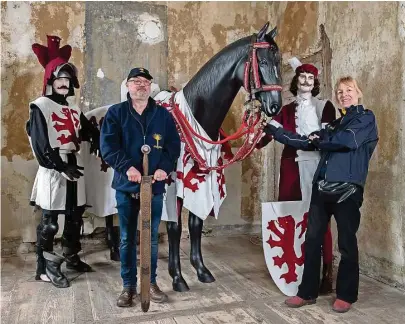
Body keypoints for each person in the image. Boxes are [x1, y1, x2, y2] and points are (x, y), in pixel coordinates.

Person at [265, 76, 378, 313]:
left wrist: (320, 138)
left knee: (346, 243)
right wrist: (275, 130)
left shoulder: (366, 118)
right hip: (322, 188)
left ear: (358, 93)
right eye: (339, 91)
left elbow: (347, 141)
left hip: (347, 190)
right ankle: (307, 293)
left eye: (349, 90)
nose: (344, 94)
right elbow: (306, 142)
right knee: (312, 240)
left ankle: (346, 294)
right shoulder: (334, 125)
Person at [100, 67, 181, 307]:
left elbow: (173, 147)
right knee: (126, 238)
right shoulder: (116, 114)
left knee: (152, 238)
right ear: (127, 85)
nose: (141, 85)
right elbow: (108, 147)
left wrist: (164, 168)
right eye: (136, 81)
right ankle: (129, 286)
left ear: (151, 86)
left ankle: (150, 282)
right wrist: (128, 168)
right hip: (127, 186)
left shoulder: (163, 116)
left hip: (154, 187)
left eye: (146, 81)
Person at [257, 59, 336, 293]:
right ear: (296, 80)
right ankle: (297, 266)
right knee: (291, 214)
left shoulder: (325, 106)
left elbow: (326, 137)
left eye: (311, 78)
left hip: (316, 166)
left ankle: (327, 272)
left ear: (315, 83)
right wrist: (255, 135)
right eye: (302, 77)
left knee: (320, 217)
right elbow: (267, 135)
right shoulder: (286, 110)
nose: (306, 81)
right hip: (291, 166)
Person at [27, 35, 100, 288]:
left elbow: (87, 132)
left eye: (68, 80)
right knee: (49, 223)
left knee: (74, 216)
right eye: (60, 78)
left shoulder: (72, 108)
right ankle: (46, 268)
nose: (64, 83)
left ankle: (71, 256)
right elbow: (39, 144)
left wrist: (99, 137)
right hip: (53, 168)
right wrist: (59, 166)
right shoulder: (40, 106)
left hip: (75, 164)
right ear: (50, 80)